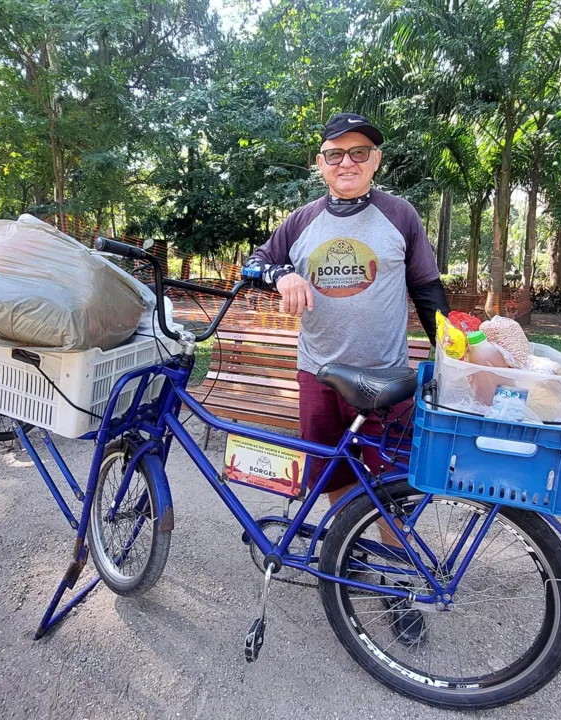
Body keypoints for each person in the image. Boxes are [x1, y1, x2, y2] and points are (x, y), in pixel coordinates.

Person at [245, 112, 450, 644]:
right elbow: (255, 264)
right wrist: (281, 272)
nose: (347, 163)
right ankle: (352, 554)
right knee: (335, 478)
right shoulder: (300, 221)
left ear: (376, 161)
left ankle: (401, 588)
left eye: (359, 153)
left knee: (391, 492)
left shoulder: (399, 216)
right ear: (321, 165)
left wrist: (451, 357)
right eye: (335, 154)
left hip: (386, 380)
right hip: (318, 375)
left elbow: (427, 289)